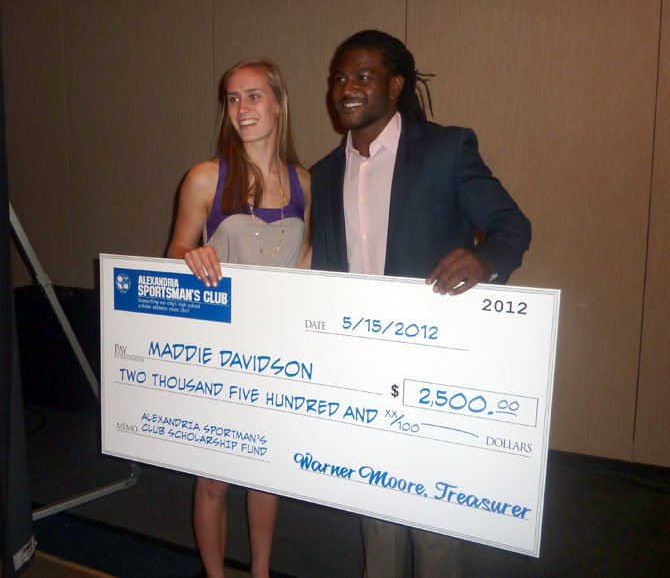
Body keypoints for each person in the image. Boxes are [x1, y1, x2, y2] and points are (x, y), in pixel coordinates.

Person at [310, 30, 531, 578]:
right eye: (339, 78)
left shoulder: (444, 149)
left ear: (396, 83)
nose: (347, 88)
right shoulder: (324, 172)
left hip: (433, 355)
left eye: (361, 76)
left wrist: (485, 262)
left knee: (431, 507)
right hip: (360, 359)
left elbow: (512, 227)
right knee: (376, 499)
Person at [167, 58, 310, 578]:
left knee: (265, 472)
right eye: (233, 98)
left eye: (253, 96)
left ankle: (261, 572)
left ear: (278, 102)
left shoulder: (305, 183)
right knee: (213, 479)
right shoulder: (206, 177)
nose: (242, 108)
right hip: (216, 348)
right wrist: (188, 255)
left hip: (275, 351)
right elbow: (175, 249)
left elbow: (305, 270)